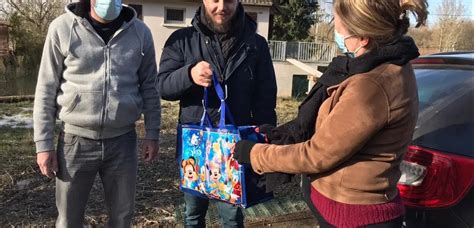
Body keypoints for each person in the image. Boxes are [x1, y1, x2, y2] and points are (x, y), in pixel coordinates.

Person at [234, 0, 428, 227]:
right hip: (346, 210)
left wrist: (256, 154)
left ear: (363, 37)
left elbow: (317, 155)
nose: (334, 31)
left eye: (338, 28)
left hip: (354, 216)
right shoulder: (376, 67)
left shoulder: (371, 86)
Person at [33, 0, 161, 227]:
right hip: (75, 142)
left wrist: (152, 133)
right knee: (68, 219)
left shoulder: (141, 33)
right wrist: (44, 144)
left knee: (122, 218)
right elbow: (46, 88)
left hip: (123, 142)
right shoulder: (61, 28)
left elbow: (150, 86)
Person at [157, 0, 277, 226]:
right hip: (195, 146)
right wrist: (189, 75)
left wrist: (265, 139)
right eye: (214, 0)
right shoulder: (181, 40)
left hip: (235, 148)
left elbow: (265, 97)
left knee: (231, 218)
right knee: (193, 215)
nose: (222, 6)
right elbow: (162, 86)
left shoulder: (256, 44)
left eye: (229, 0)